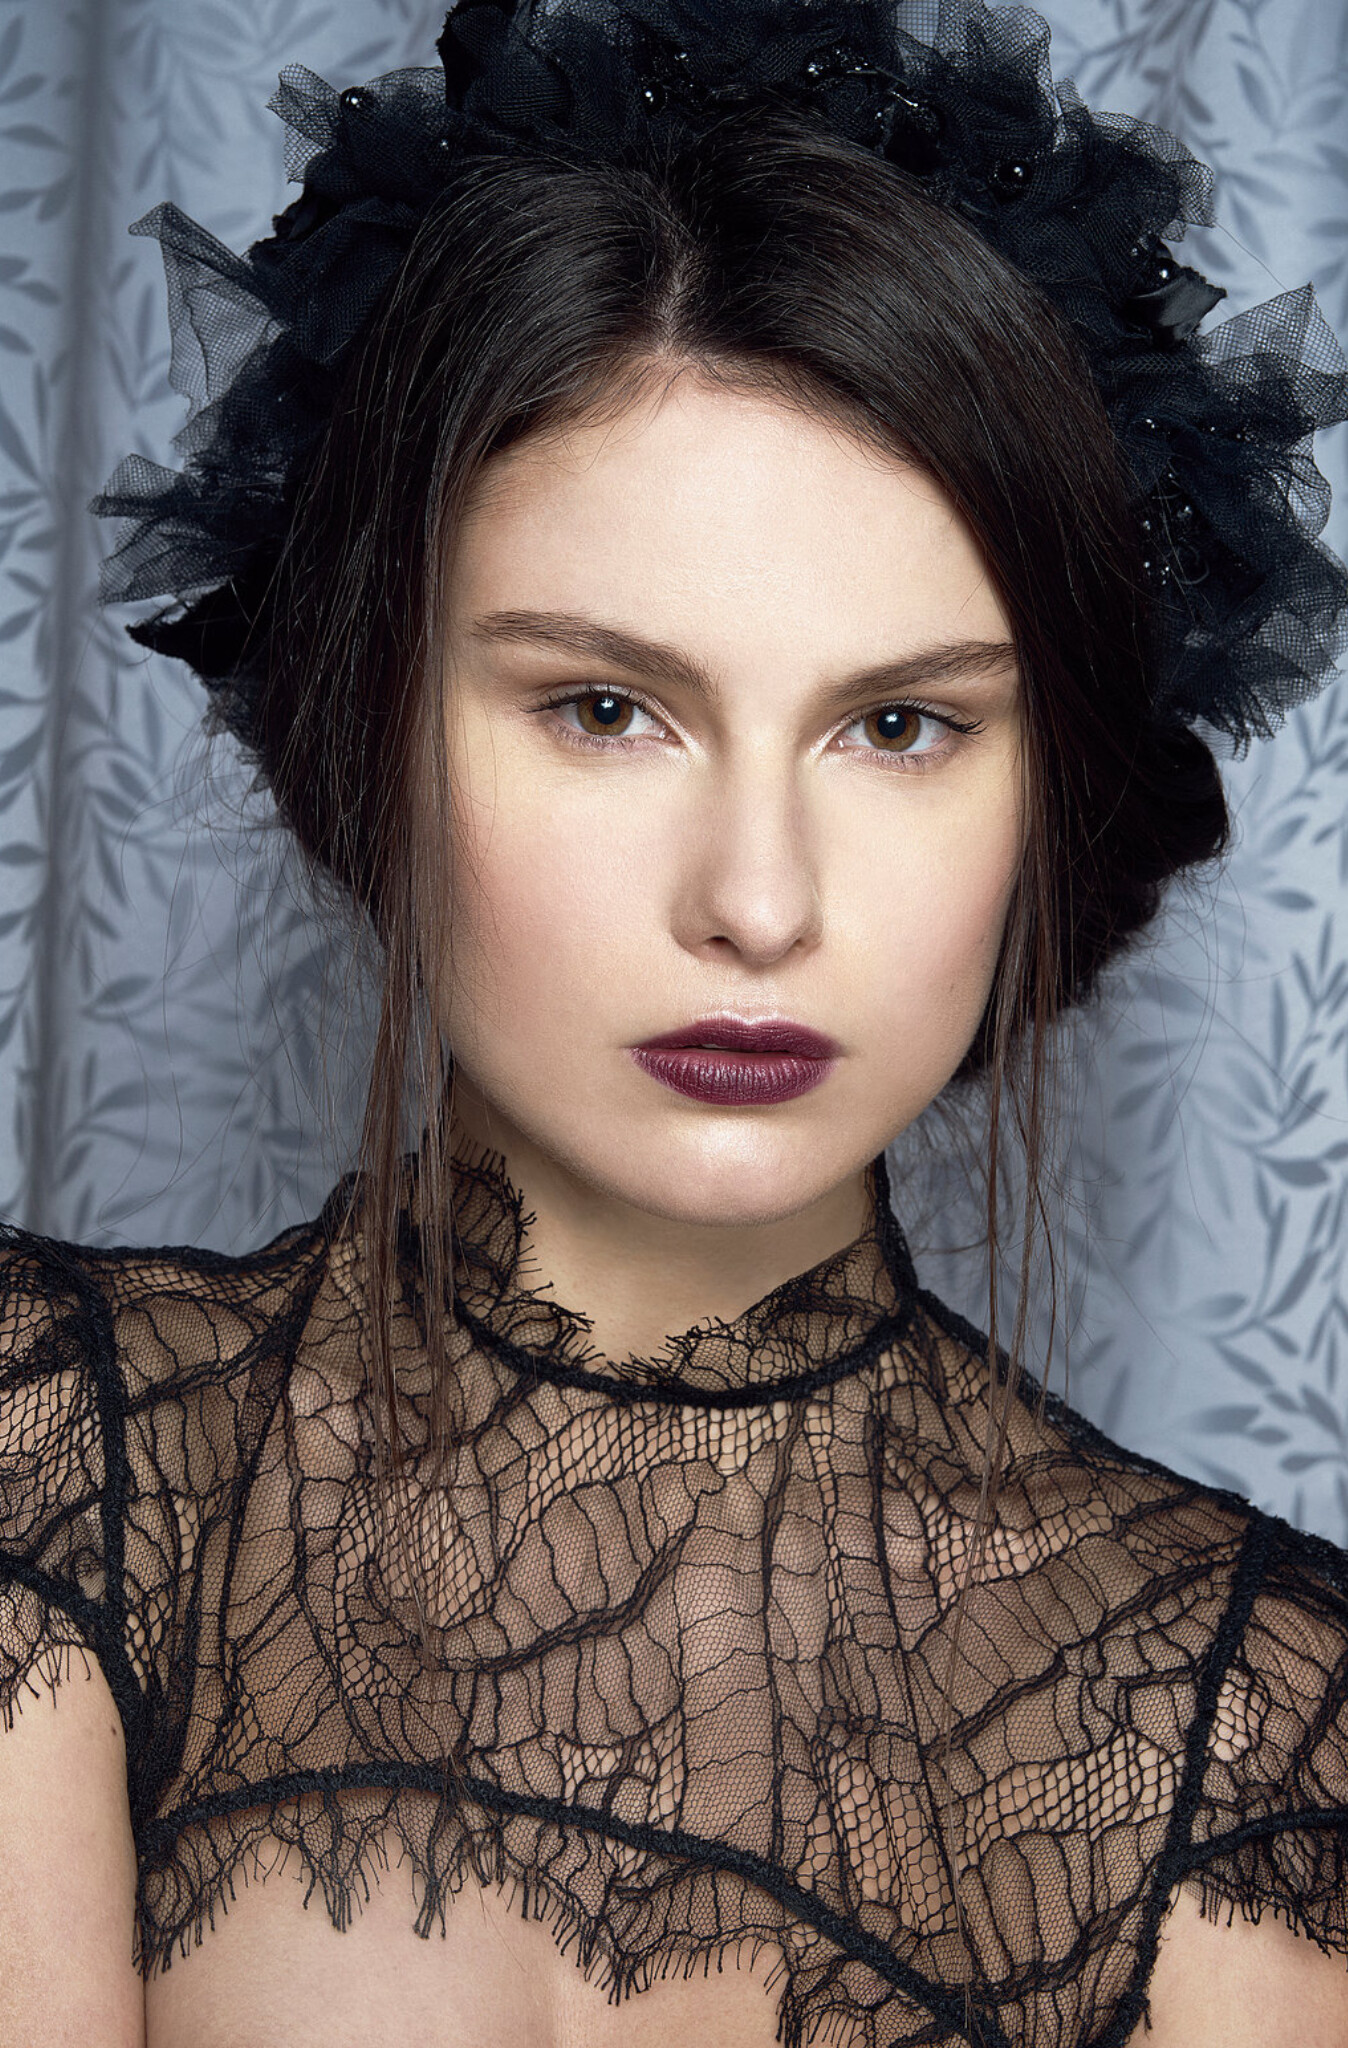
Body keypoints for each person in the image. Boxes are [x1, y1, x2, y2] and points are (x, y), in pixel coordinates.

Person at [2, 2, 1347, 2043]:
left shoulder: (1247, 1730)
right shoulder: (61, 1466)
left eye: (900, 727)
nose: (757, 899)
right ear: (376, 716)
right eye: (606, 707)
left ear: (1045, 795)